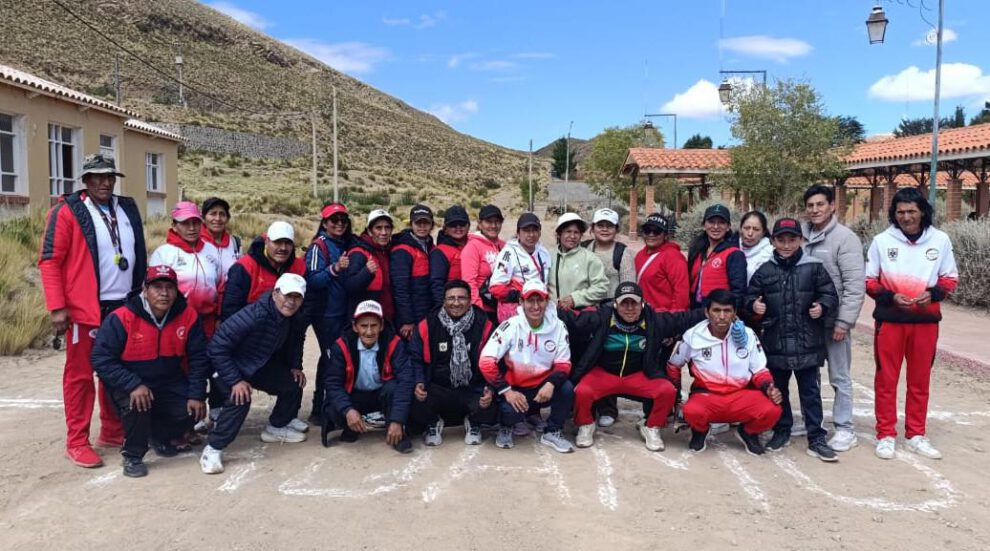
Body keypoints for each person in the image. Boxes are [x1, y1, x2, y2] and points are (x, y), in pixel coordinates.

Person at [39, 153, 147, 468]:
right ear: (85, 180)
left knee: (115, 373)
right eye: (97, 176)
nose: (104, 182)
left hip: (125, 305)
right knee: (80, 376)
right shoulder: (67, 211)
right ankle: (76, 441)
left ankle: (113, 431)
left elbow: (138, 252)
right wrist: (57, 306)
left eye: (109, 176)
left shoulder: (126, 207)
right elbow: (49, 260)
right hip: (84, 309)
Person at [866, 187, 958, 460]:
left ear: (923, 212)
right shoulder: (882, 241)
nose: (906, 217)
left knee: (920, 381)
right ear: (894, 214)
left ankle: (916, 433)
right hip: (890, 321)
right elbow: (869, 281)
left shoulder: (940, 240)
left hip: (926, 321)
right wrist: (891, 296)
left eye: (911, 211)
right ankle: (885, 434)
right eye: (900, 212)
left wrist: (934, 294)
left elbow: (950, 278)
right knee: (886, 380)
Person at [91, 266, 210, 477]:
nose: (164, 293)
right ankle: (133, 455)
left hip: (168, 379)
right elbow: (101, 359)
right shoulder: (121, 317)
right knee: (138, 403)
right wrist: (132, 384)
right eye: (157, 287)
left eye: (169, 287)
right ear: (145, 290)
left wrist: (196, 394)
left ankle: (160, 436)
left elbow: (199, 359)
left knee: (192, 409)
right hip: (130, 380)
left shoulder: (188, 315)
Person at [559, 282, 704, 451]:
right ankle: (585, 425)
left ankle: (651, 426)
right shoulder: (601, 317)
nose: (629, 308)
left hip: (638, 374)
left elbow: (684, 319)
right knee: (581, 391)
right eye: (624, 303)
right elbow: (572, 319)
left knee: (667, 391)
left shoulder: (654, 320)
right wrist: (544, 309)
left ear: (642, 304)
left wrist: (708, 312)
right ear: (615, 304)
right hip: (605, 373)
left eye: (634, 303)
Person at [745, 218, 839, 462]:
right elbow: (748, 299)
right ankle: (782, 429)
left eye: (792, 239)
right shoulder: (765, 270)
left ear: (801, 240)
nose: (786, 245)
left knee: (810, 391)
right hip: (775, 343)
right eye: (781, 240)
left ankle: (816, 437)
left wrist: (823, 306)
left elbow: (829, 293)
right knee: (779, 390)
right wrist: (754, 306)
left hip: (807, 343)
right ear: (773, 241)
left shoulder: (814, 267)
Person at [201, 274, 310, 474]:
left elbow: (296, 342)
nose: (291, 302)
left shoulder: (294, 317)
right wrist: (235, 380)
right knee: (240, 397)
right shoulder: (253, 315)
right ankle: (213, 448)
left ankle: (277, 426)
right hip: (226, 366)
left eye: (297, 297)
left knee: (292, 382)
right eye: (287, 295)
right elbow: (216, 348)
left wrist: (295, 365)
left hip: (255, 365)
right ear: (276, 294)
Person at [666, 289, 783, 455]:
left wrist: (769, 388)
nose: (722, 316)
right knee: (690, 411)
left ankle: (748, 432)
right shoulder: (693, 336)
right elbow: (673, 366)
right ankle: (700, 432)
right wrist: (676, 397)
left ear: (734, 313)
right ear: (707, 312)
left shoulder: (748, 335)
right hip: (707, 395)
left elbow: (759, 371)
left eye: (727, 311)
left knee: (773, 409)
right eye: (716, 310)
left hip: (741, 394)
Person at [801, 185, 865, 453]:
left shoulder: (845, 239)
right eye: (811, 205)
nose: (815, 209)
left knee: (839, 376)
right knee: (809, 376)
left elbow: (854, 285)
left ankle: (844, 427)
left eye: (820, 204)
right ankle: (812, 422)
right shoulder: (800, 236)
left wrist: (844, 322)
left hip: (834, 322)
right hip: (807, 322)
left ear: (832, 206)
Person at [479, 280, 575, 453]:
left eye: (541, 300)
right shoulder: (510, 326)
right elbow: (486, 361)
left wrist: (551, 384)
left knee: (566, 389)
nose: (536, 306)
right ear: (521, 302)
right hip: (515, 389)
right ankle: (506, 426)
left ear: (547, 302)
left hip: (542, 389)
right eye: (530, 300)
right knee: (508, 411)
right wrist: (507, 391)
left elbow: (564, 364)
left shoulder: (558, 327)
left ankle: (553, 431)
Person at [408, 280, 496, 446]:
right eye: (451, 298)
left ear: (470, 300)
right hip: (439, 387)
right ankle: (433, 422)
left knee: (492, 404)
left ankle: (474, 422)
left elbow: (494, 361)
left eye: (462, 298)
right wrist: (419, 382)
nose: (456, 303)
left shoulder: (484, 324)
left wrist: (489, 389)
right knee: (412, 400)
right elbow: (416, 358)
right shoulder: (428, 324)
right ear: (444, 301)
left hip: (472, 387)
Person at [322, 300, 415, 453]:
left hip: (382, 394)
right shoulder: (341, 346)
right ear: (355, 327)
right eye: (364, 326)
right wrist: (348, 410)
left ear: (382, 326)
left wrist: (397, 420)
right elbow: (333, 383)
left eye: (374, 325)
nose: (369, 332)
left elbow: (405, 380)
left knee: (395, 388)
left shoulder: (394, 343)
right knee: (333, 408)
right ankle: (352, 426)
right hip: (355, 395)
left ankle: (398, 431)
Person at [304, 202, 357, 425]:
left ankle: (332, 406)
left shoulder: (345, 244)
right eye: (334, 220)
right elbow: (313, 280)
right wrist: (335, 268)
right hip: (327, 314)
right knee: (330, 360)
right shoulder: (320, 246)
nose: (339, 224)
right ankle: (319, 409)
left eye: (343, 220)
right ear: (324, 223)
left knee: (338, 357)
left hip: (343, 312)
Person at [150, 202, 221, 337]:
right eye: (185, 223)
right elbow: (154, 290)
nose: (192, 228)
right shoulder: (163, 253)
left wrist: (219, 316)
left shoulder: (211, 250)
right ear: (174, 226)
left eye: (196, 222)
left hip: (208, 321)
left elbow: (220, 285)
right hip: (175, 320)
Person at [221, 220, 305, 321]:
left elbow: (306, 305)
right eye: (277, 242)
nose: (283, 248)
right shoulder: (244, 267)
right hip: (250, 330)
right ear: (267, 242)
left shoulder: (300, 267)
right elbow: (231, 311)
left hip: (286, 331)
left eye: (288, 243)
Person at [489, 212, 551, 322]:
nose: (531, 235)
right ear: (518, 233)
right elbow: (495, 287)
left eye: (535, 230)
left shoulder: (544, 252)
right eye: (526, 230)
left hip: (539, 303)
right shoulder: (508, 253)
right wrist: (520, 294)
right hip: (517, 305)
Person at [688, 204, 747, 309]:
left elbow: (738, 291)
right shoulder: (697, 250)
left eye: (721, 223)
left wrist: (732, 314)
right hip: (695, 309)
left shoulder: (734, 254)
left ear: (728, 227)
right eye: (711, 222)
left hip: (719, 312)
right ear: (704, 225)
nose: (716, 227)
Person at [391, 204, 436, 339]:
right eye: (418, 223)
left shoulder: (429, 245)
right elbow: (400, 289)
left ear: (432, 225)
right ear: (411, 224)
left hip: (426, 312)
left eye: (426, 223)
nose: (422, 227)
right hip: (411, 317)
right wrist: (407, 320)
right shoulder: (402, 250)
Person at [344, 209, 395, 322]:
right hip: (365, 323)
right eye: (378, 228)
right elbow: (349, 287)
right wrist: (366, 272)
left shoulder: (386, 251)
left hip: (385, 318)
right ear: (370, 231)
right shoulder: (359, 253)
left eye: (387, 227)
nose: (384, 232)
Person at [548, 212, 608, 310]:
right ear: (559, 234)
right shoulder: (548, 255)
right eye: (568, 231)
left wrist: (575, 299)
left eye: (576, 232)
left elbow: (601, 287)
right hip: (552, 316)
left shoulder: (590, 259)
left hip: (580, 317)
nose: (572, 236)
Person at [635, 213, 689, 313]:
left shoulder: (674, 257)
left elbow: (681, 294)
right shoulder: (640, 255)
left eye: (656, 231)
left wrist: (671, 319)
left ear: (665, 235)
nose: (651, 234)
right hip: (642, 316)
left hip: (663, 318)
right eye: (647, 231)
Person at [461, 204, 505, 321]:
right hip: (484, 310)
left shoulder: (505, 246)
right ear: (480, 224)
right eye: (489, 222)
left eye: (497, 222)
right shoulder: (472, 247)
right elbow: (469, 282)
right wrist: (479, 312)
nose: (493, 226)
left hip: (503, 308)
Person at [582, 208, 636, 300]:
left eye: (610, 226)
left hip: (612, 310)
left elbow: (628, 289)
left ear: (617, 229)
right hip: (584, 308)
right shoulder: (583, 249)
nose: (605, 229)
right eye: (600, 225)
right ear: (593, 228)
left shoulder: (623, 253)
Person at [199, 196, 241, 312]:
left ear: (227, 218)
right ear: (203, 217)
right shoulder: (195, 242)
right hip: (201, 308)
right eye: (213, 213)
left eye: (222, 214)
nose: (217, 218)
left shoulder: (234, 243)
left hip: (228, 306)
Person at [430, 205, 471, 307]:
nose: (458, 227)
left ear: (468, 226)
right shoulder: (439, 252)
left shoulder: (474, 246)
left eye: (462, 224)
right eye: (453, 224)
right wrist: (443, 310)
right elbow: (437, 285)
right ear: (445, 228)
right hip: (454, 306)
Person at [736, 211, 773, 284]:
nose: (750, 233)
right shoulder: (731, 247)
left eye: (756, 229)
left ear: (763, 232)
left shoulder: (770, 254)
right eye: (746, 228)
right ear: (740, 229)